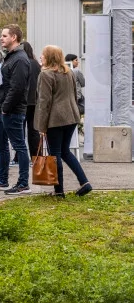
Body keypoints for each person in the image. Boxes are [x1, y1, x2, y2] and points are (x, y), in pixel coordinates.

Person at [35, 45, 92, 198]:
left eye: (43, 54)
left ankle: (59, 191)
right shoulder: (69, 73)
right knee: (65, 151)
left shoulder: (46, 75)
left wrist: (42, 126)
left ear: (49, 57)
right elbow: (75, 95)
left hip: (55, 119)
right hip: (72, 116)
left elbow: (44, 102)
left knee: (55, 154)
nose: (41, 56)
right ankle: (84, 182)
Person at [0, 24, 32, 195]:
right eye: (1, 36)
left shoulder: (20, 59)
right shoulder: (9, 57)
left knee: (18, 146)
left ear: (14, 38)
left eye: (4, 36)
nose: (0, 38)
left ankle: (23, 183)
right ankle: (2, 179)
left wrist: (5, 108)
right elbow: (8, 81)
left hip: (11, 109)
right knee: (1, 144)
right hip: (1, 107)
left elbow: (17, 88)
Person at [23, 42, 42, 164]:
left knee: (20, 131)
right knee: (33, 131)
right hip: (35, 101)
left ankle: (19, 157)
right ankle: (36, 157)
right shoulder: (36, 64)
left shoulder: (22, 63)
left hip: (23, 101)